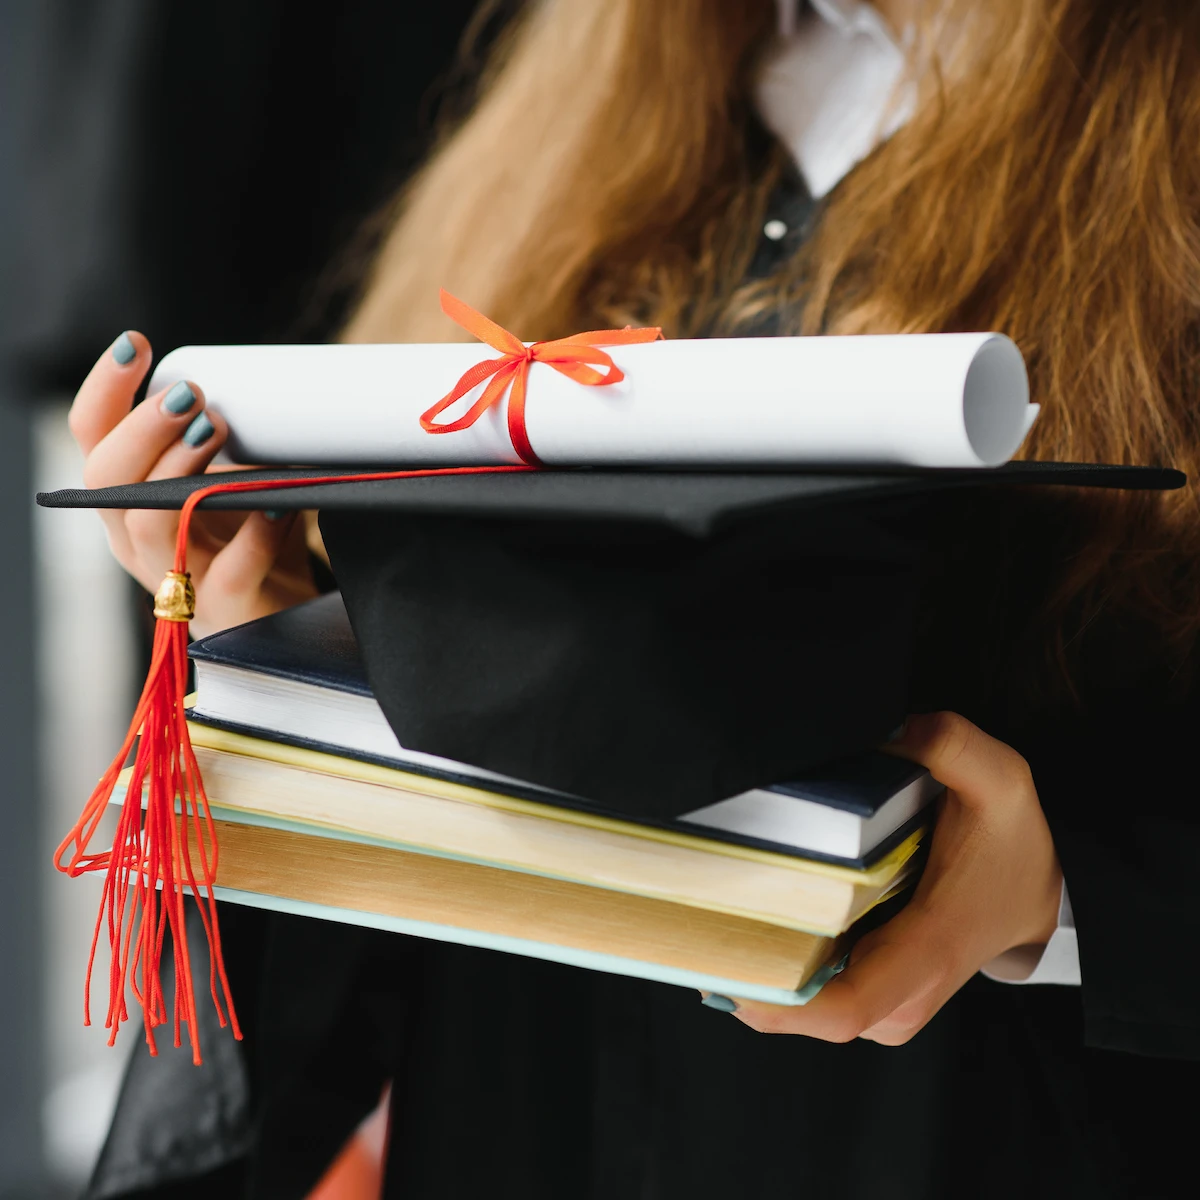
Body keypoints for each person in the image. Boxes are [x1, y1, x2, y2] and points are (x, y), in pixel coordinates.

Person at [68, 1, 1200, 1196]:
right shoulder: (575, 125)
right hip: (530, 1110)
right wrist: (290, 634)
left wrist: (1059, 895)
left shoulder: (1158, 152)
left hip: (974, 1126)